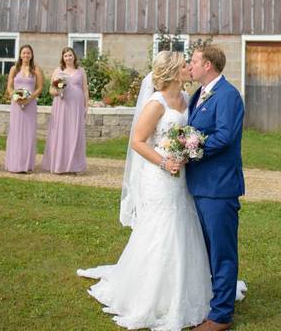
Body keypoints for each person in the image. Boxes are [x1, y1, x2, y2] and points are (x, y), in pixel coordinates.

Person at [78, 52, 215, 330]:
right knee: (162, 228)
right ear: (173, 72)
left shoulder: (187, 99)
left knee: (183, 225)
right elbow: (138, 142)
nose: (189, 68)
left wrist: (186, 152)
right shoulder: (157, 102)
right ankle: (149, 295)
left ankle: (185, 290)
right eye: (184, 65)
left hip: (181, 174)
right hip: (160, 176)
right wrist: (165, 162)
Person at [187, 44, 246, 331]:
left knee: (222, 251)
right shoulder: (198, 95)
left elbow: (224, 137)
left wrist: (188, 149)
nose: (190, 65)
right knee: (207, 249)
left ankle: (221, 315)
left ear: (208, 64)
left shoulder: (228, 95)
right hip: (199, 184)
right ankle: (213, 299)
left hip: (219, 186)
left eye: (194, 61)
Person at [41, 47, 88, 174]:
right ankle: (59, 165)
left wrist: (86, 106)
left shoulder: (81, 71)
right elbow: (51, 90)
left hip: (77, 105)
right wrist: (58, 91)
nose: (68, 58)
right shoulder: (58, 70)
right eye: (66, 56)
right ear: (63, 58)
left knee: (75, 132)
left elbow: (85, 89)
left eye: (70, 55)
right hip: (61, 104)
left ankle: (75, 166)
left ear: (74, 57)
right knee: (61, 132)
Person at [5, 44, 43, 173]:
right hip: (16, 105)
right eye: (24, 53)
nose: (26, 55)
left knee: (28, 133)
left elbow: (39, 88)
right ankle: (14, 164)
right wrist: (15, 97)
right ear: (20, 55)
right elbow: (9, 87)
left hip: (30, 104)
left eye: (28, 53)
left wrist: (30, 98)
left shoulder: (36, 69)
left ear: (31, 55)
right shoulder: (14, 69)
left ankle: (26, 165)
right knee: (15, 133)